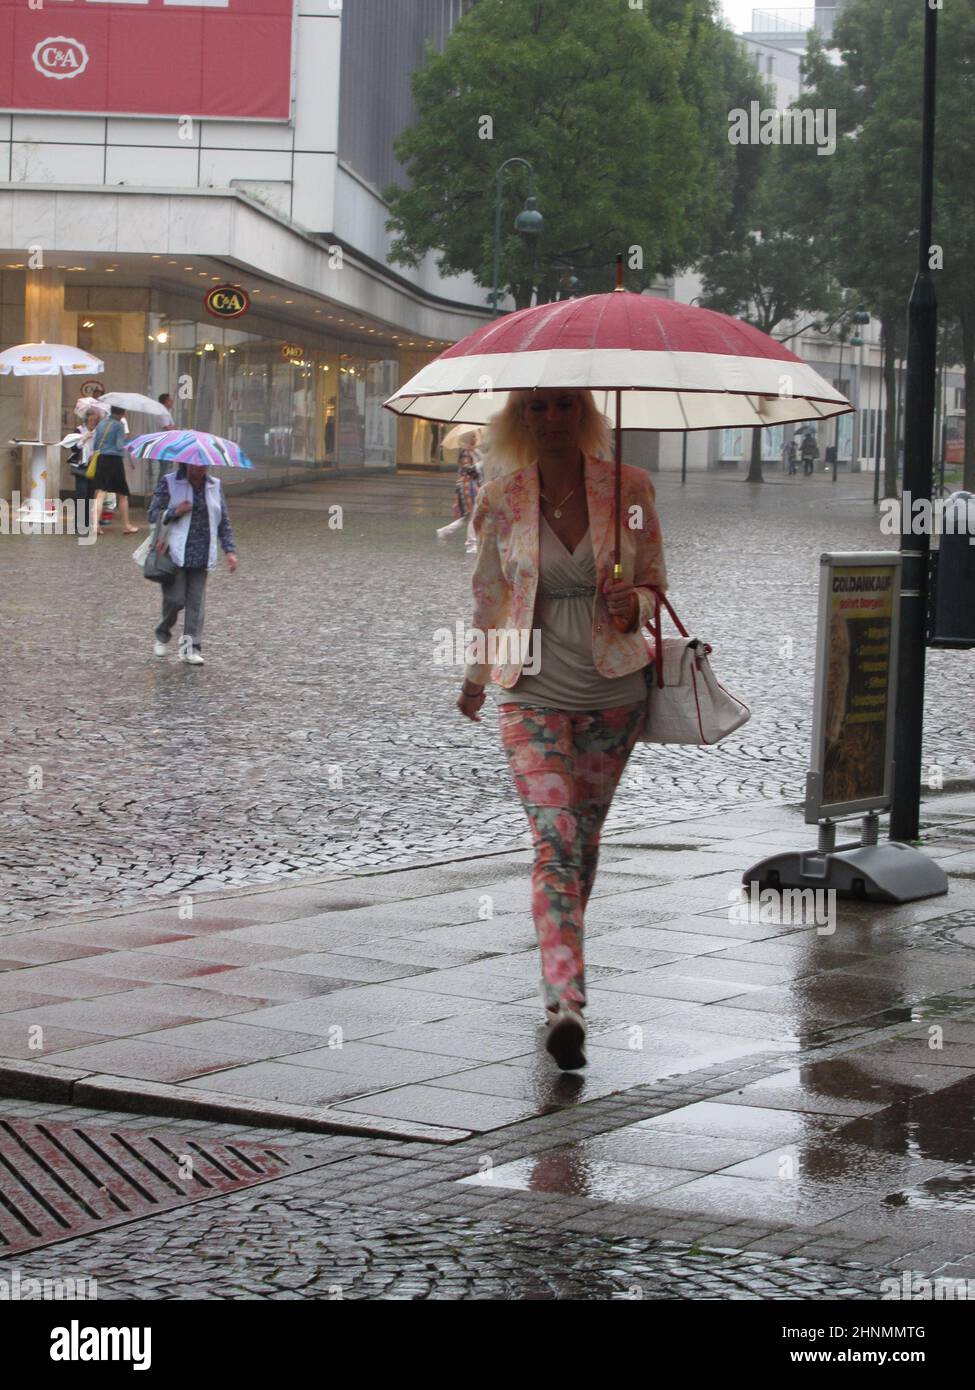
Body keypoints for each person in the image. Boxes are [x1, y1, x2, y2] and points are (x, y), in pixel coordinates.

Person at [457, 387, 666, 1071]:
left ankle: (561, 957)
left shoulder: (629, 486)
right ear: (521, 419)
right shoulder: (501, 496)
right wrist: (474, 677)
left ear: (585, 415)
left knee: (582, 842)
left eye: (564, 407)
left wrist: (631, 600)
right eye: (537, 408)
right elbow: (490, 595)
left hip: (613, 689)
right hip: (532, 688)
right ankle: (563, 1000)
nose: (550, 419)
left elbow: (656, 581)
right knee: (554, 837)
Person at [147, 462, 237, 665]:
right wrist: (174, 511)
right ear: (185, 463)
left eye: (204, 465)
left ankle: (190, 648)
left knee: (196, 604)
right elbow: (153, 513)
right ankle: (162, 634)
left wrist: (229, 550)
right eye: (196, 465)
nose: (200, 469)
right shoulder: (170, 482)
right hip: (174, 551)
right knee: (175, 600)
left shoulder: (214, 485)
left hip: (202, 552)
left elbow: (224, 520)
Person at [91, 406, 138, 535]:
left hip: (101, 458)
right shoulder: (119, 425)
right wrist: (127, 439)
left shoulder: (101, 424)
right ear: (123, 412)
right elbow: (119, 446)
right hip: (114, 460)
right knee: (122, 494)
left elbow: (95, 445)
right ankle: (126, 525)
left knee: (100, 493)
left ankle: (95, 527)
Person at [436, 444, 481, 552]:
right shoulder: (466, 452)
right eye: (473, 437)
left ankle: (444, 531)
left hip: (470, 485)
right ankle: (471, 544)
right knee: (472, 516)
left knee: (468, 516)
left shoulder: (473, 451)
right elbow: (468, 470)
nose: (475, 439)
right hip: (468, 486)